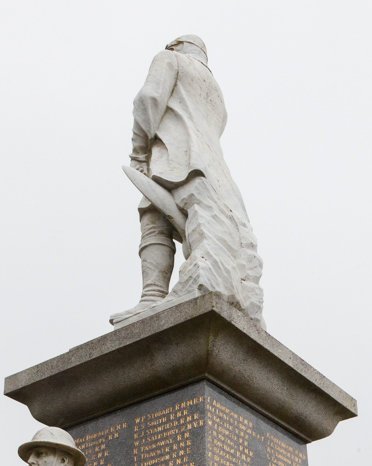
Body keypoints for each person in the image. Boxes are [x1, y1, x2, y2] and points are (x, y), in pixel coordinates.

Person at [110, 34, 264, 328]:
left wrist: (139, 152)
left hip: (174, 154)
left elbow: (148, 99)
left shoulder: (170, 58)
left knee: (154, 219)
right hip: (213, 173)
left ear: (176, 45)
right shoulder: (216, 91)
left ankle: (152, 296)